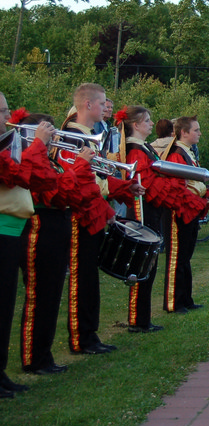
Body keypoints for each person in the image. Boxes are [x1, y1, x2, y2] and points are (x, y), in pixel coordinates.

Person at [57, 83, 143, 354]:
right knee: (81, 276)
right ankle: (81, 337)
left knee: (90, 276)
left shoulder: (89, 137)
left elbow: (99, 180)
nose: (106, 107)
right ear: (88, 105)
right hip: (79, 215)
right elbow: (76, 182)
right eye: (103, 102)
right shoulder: (72, 137)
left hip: (93, 211)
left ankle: (90, 334)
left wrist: (125, 187)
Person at [17, 111, 99, 380]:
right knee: (39, 294)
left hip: (57, 224)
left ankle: (43, 354)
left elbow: (69, 193)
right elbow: (53, 190)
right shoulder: (31, 157)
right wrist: (79, 166)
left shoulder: (50, 161)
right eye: (48, 133)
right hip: (41, 226)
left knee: (51, 295)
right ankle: (34, 358)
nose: (55, 139)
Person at [118, 106, 207, 332]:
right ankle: (138, 320)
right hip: (143, 210)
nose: (152, 124)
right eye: (147, 120)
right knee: (143, 264)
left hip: (152, 209)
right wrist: (174, 188)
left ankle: (142, 319)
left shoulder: (143, 147)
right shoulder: (135, 150)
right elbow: (147, 181)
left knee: (149, 265)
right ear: (136, 125)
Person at [0, 98, 57, 396]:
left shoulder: (10, 143)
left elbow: (41, 179)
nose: (8, 115)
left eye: (6, 109)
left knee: (5, 305)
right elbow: (17, 175)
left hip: (13, 228)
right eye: (2, 111)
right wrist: (38, 144)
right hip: (3, 229)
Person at [161, 116, 209, 314]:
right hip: (179, 211)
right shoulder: (176, 154)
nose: (199, 133)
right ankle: (174, 302)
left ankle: (186, 299)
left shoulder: (187, 152)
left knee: (186, 255)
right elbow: (177, 186)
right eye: (196, 130)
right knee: (177, 257)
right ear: (183, 132)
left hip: (190, 209)